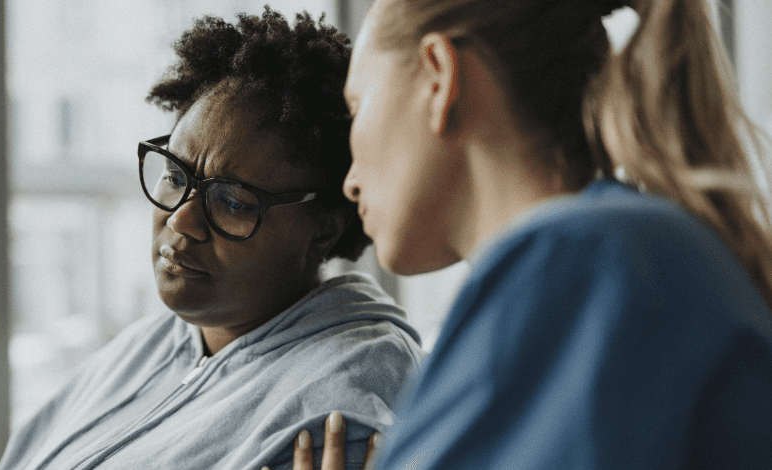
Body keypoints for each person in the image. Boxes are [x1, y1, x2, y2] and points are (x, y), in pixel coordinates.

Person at [282, 0, 772, 468]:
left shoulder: (580, 261)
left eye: (356, 107)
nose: (348, 182)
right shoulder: (618, 253)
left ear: (438, 77)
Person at [0, 8, 423, 470]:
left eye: (234, 202)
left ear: (323, 230)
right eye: (174, 174)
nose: (181, 221)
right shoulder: (151, 344)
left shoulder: (353, 400)